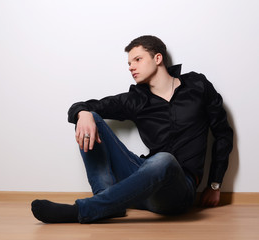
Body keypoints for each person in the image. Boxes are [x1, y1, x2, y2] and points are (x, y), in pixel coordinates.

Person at [31, 35, 233, 224]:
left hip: (177, 192)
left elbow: (223, 133)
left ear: (158, 58)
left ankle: (86, 210)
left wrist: (215, 184)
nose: (131, 67)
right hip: (141, 178)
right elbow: (83, 105)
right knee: (89, 117)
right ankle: (106, 201)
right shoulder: (136, 99)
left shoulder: (198, 85)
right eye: (129, 63)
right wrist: (82, 114)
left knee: (164, 160)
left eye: (137, 59)